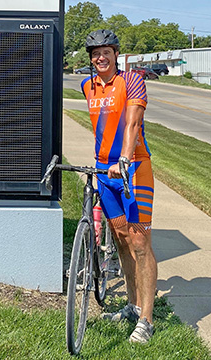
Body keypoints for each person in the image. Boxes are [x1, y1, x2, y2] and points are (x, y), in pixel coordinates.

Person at [80, 29, 157, 344]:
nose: (100, 58)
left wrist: (124, 159)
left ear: (115, 55)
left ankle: (146, 321)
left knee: (140, 243)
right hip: (104, 171)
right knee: (122, 240)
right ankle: (132, 304)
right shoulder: (88, 86)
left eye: (105, 52)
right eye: (95, 54)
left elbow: (132, 123)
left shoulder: (132, 81)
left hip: (134, 169)